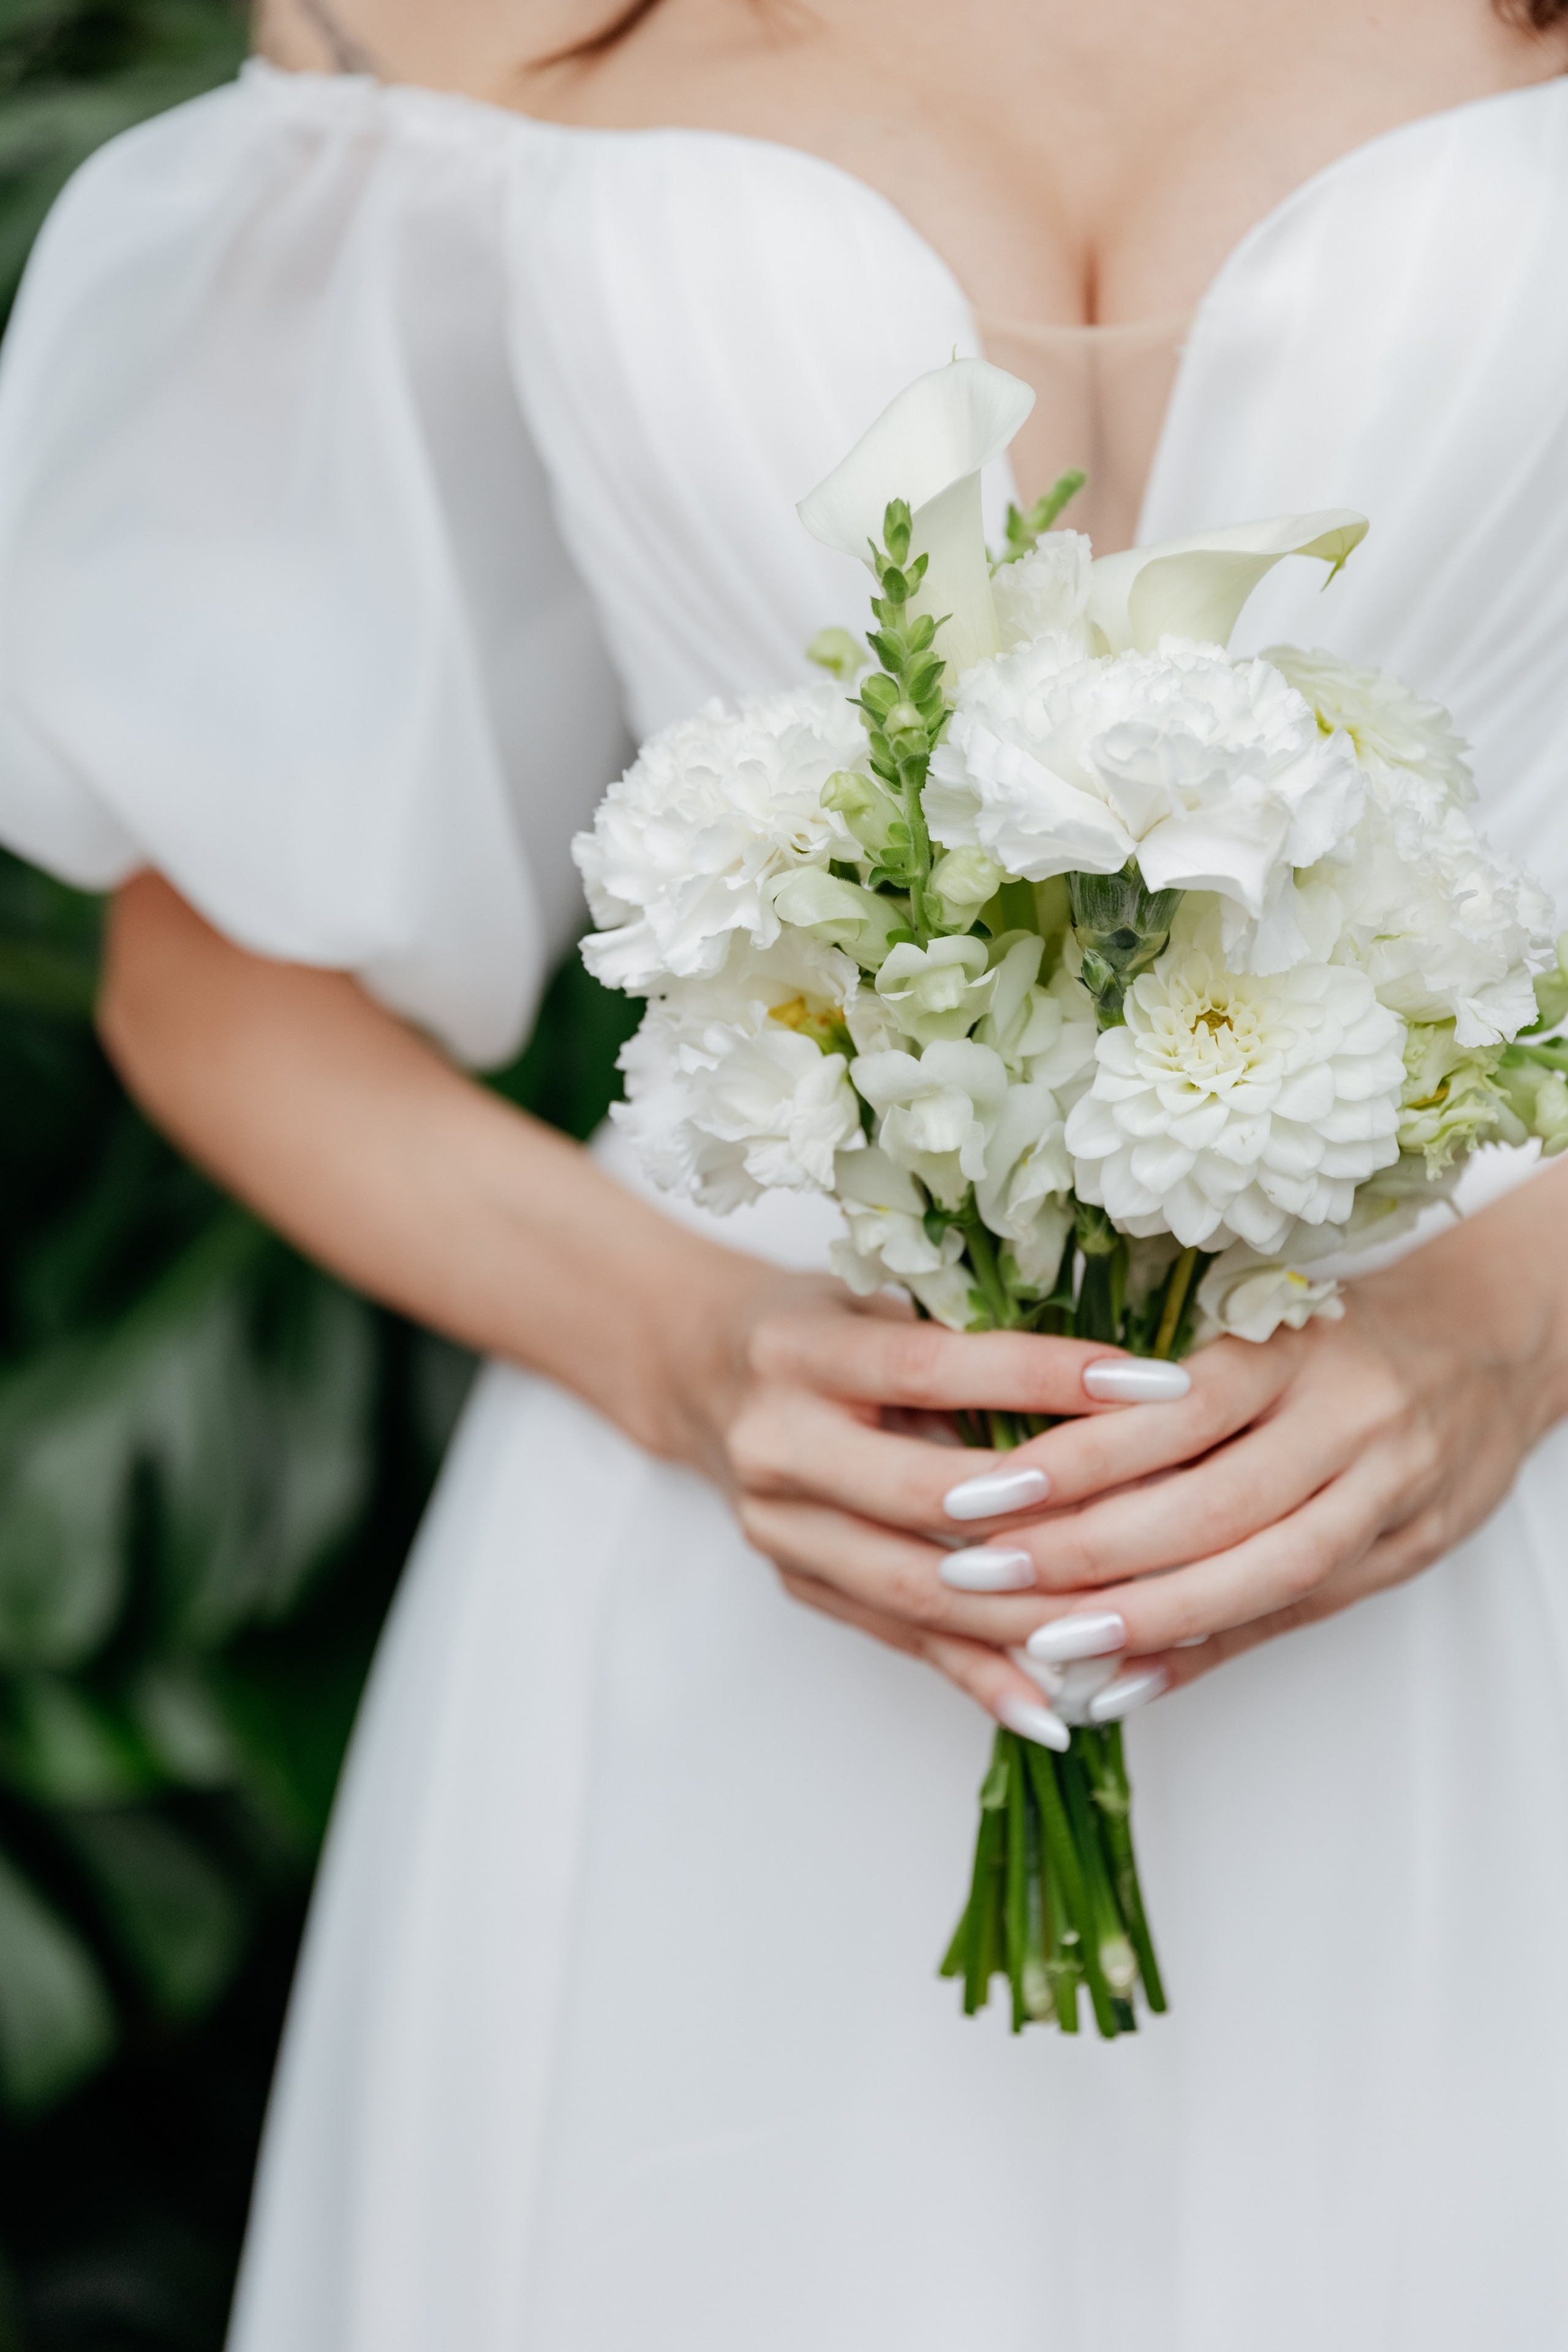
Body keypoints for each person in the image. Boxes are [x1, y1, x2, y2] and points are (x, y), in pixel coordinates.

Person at [0, 0, 1566, 2341]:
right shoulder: (445, 30)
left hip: (1493, 1570)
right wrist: (699, 1355)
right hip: (731, 1585)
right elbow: (217, 981)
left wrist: (1504, 1329)